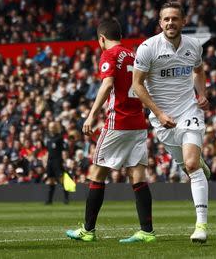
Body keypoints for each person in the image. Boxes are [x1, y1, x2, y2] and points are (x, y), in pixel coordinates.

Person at [66, 18, 155, 243]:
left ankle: (88, 230)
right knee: (138, 175)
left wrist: (91, 115)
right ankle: (147, 231)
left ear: (101, 39)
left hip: (118, 121)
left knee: (97, 173)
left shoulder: (109, 54)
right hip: (137, 122)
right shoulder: (133, 55)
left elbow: (107, 85)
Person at [132, 1, 210, 243]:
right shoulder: (147, 48)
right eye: (166, 19)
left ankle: (201, 226)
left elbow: (198, 70)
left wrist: (202, 93)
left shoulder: (194, 45)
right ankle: (198, 163)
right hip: (163, 120)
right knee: (189, 167)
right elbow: (137, 84)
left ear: (183, 22)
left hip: (189, 111)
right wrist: (158, 112)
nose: (170, 23)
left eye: (175, 18)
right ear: (160, 23)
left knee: (191, 165)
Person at [44, 121, 69, 205]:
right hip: (50, 161)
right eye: (50, 127)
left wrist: (64, 161)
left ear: (55, 128)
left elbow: (63, 150)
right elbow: (48, 151)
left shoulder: (59, 138)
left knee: (61, 179)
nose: (51, 128)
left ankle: (66, 199)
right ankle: (49, 200)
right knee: (50, 179)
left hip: (57, 161)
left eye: (52, 127)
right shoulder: (48, 138)